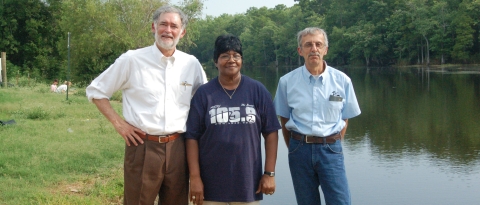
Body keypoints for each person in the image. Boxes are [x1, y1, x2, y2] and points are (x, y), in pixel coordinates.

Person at [86, 5, 207, 205]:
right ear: (153, 27)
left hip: (179, 147)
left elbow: (204, 102)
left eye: (174, 26)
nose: (168, 30)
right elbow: (96, 91)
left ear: (182, 32)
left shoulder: (191, 64)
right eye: (163, 24)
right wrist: (119, 124)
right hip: (142, 147)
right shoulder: (132, 60)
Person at [186, 34, 280, 205]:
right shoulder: (204, 94)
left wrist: (269, 173)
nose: (231, 60)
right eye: (224, 56)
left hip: (248, 183)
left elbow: (271, 133)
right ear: (215, 61)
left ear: (241, 60)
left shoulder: (257, 91)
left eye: (236, 56)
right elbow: (192, 137)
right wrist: (195, 178)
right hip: (210, 185)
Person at [273, 27, 361, 205]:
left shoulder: (342, 81)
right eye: (308, 45)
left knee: (340, 201)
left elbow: (345, 118)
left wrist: (333, 141)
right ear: (300, 51)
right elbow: (284, 119)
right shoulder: (286, 82)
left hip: (331, 150)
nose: (314, 49)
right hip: (299, 150)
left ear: (325, 49)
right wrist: (294, 146)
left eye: (318, 44)